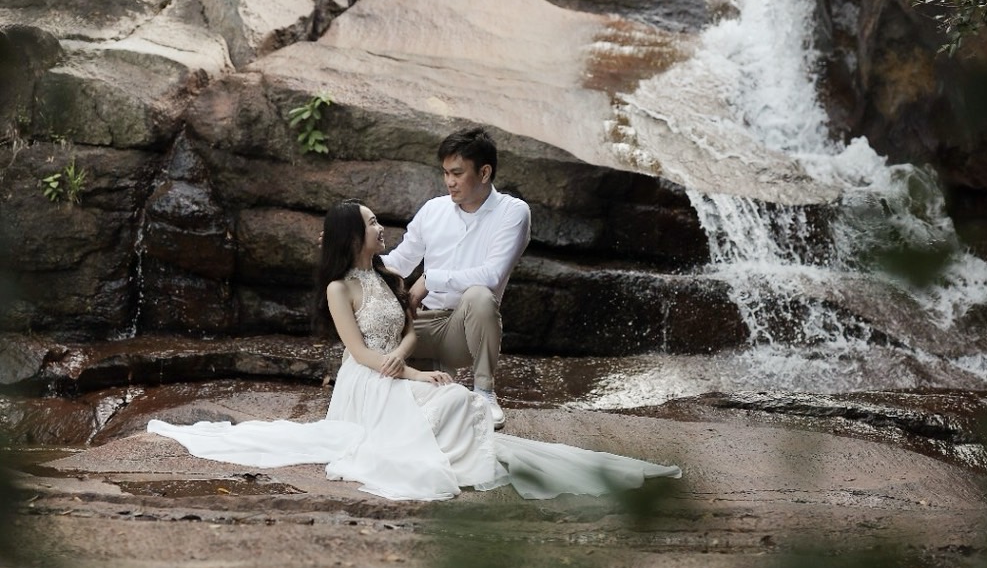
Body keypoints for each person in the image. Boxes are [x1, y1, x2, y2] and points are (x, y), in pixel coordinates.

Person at [148, 199, 681, 503]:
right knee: (448, 402)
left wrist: (408, 355)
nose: (383, 228)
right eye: (374, 223)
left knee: (457, 402)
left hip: (395, 368)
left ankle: (458, 428)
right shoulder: (341, 288)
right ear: (355, 234)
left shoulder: (384, 275)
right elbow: (357, 352)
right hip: (370, 383)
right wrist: (410, 376)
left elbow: (406, 327)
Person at [381, 126, 530, 428]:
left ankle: (484, 393)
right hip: (417, 324)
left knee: (479, 296)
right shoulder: (433, 210)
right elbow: (398, 261)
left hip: (463, 330)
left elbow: (492, 274)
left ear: (485, 172)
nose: (449, 182)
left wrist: (429, 279)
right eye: (446, 173)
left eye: (457, 173)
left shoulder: (513, 212)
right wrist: (351, 256)